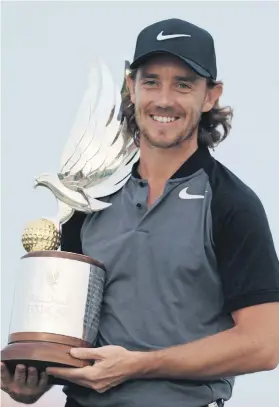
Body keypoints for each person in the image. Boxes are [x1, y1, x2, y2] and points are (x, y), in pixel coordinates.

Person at [2, 18, 279, 407]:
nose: (164, 99)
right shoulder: (88, 198)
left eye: (183, 84)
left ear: (211, 95)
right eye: (151, 81)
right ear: (131, 88)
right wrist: (33, 379)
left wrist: (137, 365)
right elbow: (68, 333)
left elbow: (263, 345)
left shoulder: (232, 204)